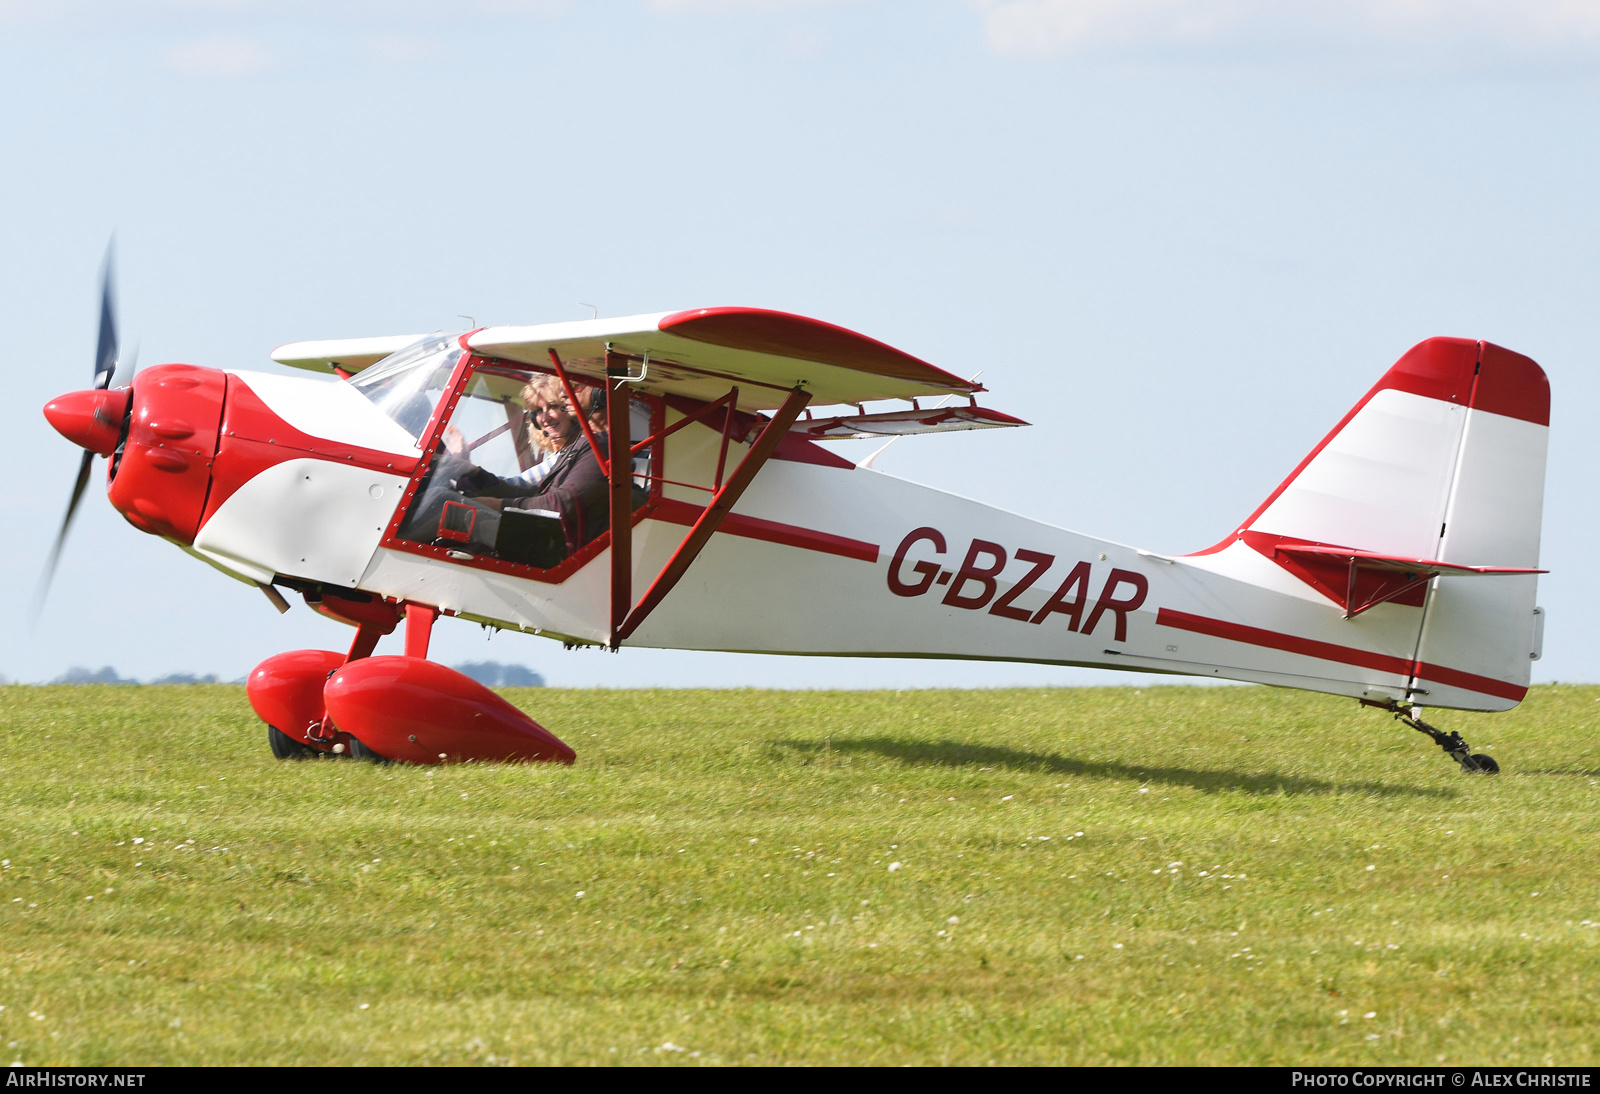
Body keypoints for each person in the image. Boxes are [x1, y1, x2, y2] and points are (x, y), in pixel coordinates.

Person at [446, 374, 611, 555]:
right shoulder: (571, 452)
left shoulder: (595, 447)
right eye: (538, 411)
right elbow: (532, 492)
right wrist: (471, 472)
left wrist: (494, 501)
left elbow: (556, 501)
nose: (545, 417)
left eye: (553, 406)